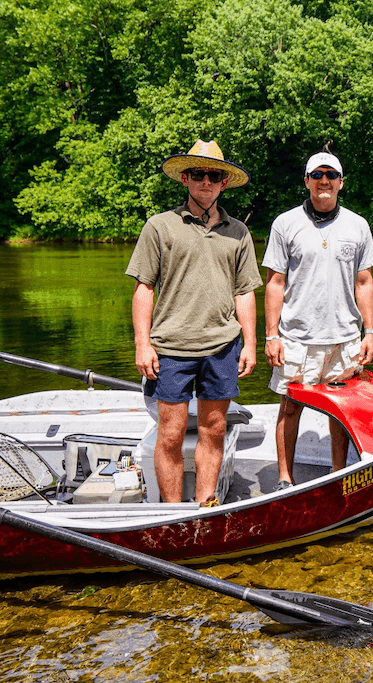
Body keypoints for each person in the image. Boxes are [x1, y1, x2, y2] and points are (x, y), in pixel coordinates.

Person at [126, 139, 262, 505]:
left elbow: (245, 292)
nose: (206, 181)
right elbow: (143, 289)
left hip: (222, 346)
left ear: (222, 182)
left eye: (214, 175)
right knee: (169, 434)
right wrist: (143, 343)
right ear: (185, 179)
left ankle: (205, 505)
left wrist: (250, 343)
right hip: (170, 347)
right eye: (198, 174)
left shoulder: (239, 232)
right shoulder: (159, 227)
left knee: (213, 429)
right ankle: (170, 513)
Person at [263, 151, 373, 490]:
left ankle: (339, 471)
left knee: (340, 411)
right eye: (317, 174)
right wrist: (271, 335)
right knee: (290, 407)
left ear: (341, 182)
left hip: (345, 338)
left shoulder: (358, 225)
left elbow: (364, 282)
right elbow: (275, 283)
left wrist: (369, 332)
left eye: (331, 175)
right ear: (307, 181)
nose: (324, 180)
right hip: (297, 338)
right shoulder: (285, 223)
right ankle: (285, 478)